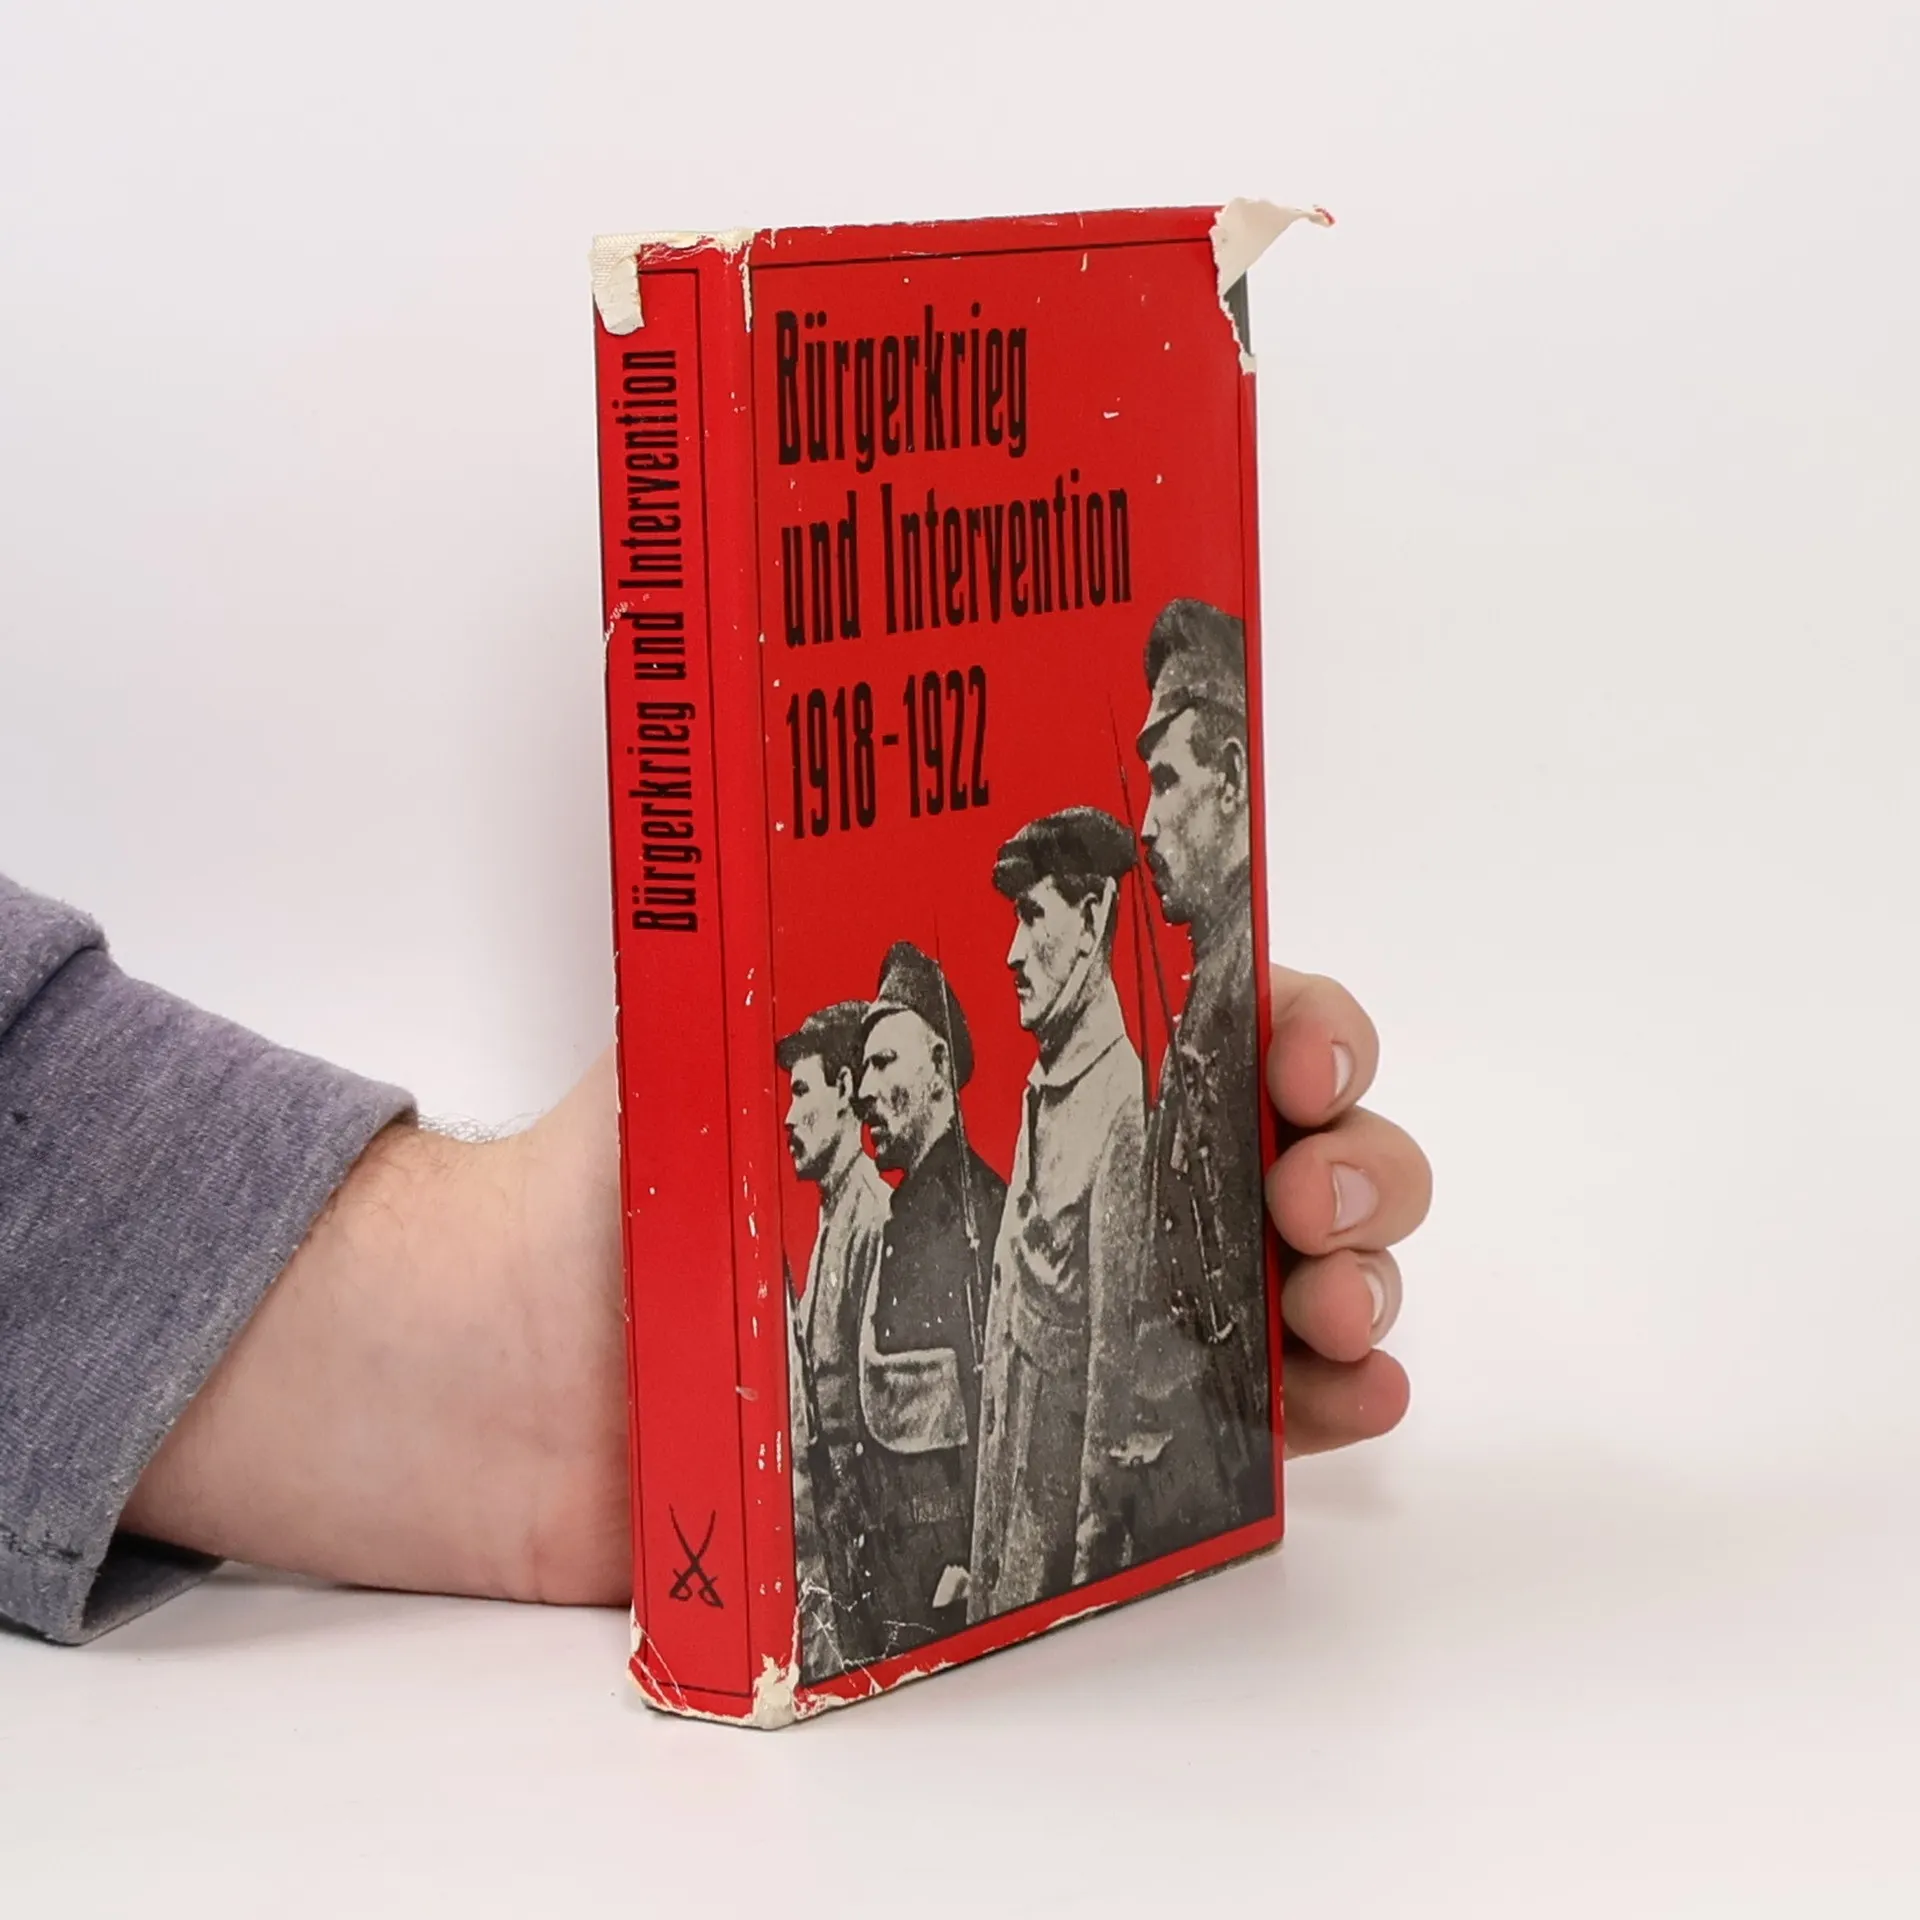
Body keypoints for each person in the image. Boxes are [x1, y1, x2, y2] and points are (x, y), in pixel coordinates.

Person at [0, 871, 1427, 1646]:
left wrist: (485, 1296)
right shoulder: (880, 1219)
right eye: (849, 1076)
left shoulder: (963, 1201)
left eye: (877, 1072)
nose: (849, 1100)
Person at [1087, 598, 1275, 1574]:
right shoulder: (1216, 978)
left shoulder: (1240, 989)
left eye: (1167, 781)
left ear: (1234, 779)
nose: (1147, 824)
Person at [969, 807, 1145, 1622]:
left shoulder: (1121, 1102)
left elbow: (1113, 1374)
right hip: (1003, 1535)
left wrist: (1089, 1583)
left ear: (1093, 917)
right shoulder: (1040, 1091)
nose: (1012, 952)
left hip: (1057, 1581)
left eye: (1034, 916)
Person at [852, 941, 1007, 1653]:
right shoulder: (899, 1220)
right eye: (862, 1069)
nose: (863, 1091)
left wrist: (973, 1563)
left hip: (950, 1592)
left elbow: (998, 1403)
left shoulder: (984, 1211)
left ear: (940, 1068)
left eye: (884, 1063)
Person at [775, 1001, 889, 1677]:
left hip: (863, 1561)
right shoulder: (833, 1219)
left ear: (846, 1089)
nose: (788, 1118)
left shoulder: (870, 1217)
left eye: (802, 1092)